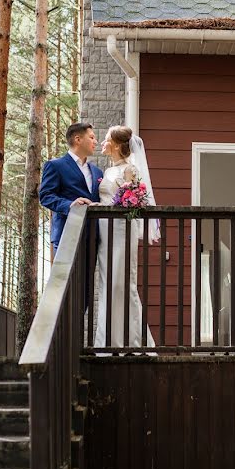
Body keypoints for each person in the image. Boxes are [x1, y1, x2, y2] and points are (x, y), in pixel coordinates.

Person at [94, 125, 160, 352]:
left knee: (121, 283)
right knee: (107, 284)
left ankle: (133, 341)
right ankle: (108, 341)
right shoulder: (108, 170)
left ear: (116, 145)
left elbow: (136, 199)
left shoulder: (129, 169)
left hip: (121, 230)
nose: (102, 142)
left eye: (105, 139)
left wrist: (125, 195)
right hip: (105, 230)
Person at [39, 122, 102, 252]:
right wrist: (69, 205)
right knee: (65, 274)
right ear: (78, 139)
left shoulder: (97, 172)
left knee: (88, 274)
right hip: (66, 234)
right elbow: (46, 196)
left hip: (92, 237)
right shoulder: (55, 165)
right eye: (91, 137)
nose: (95, 141)